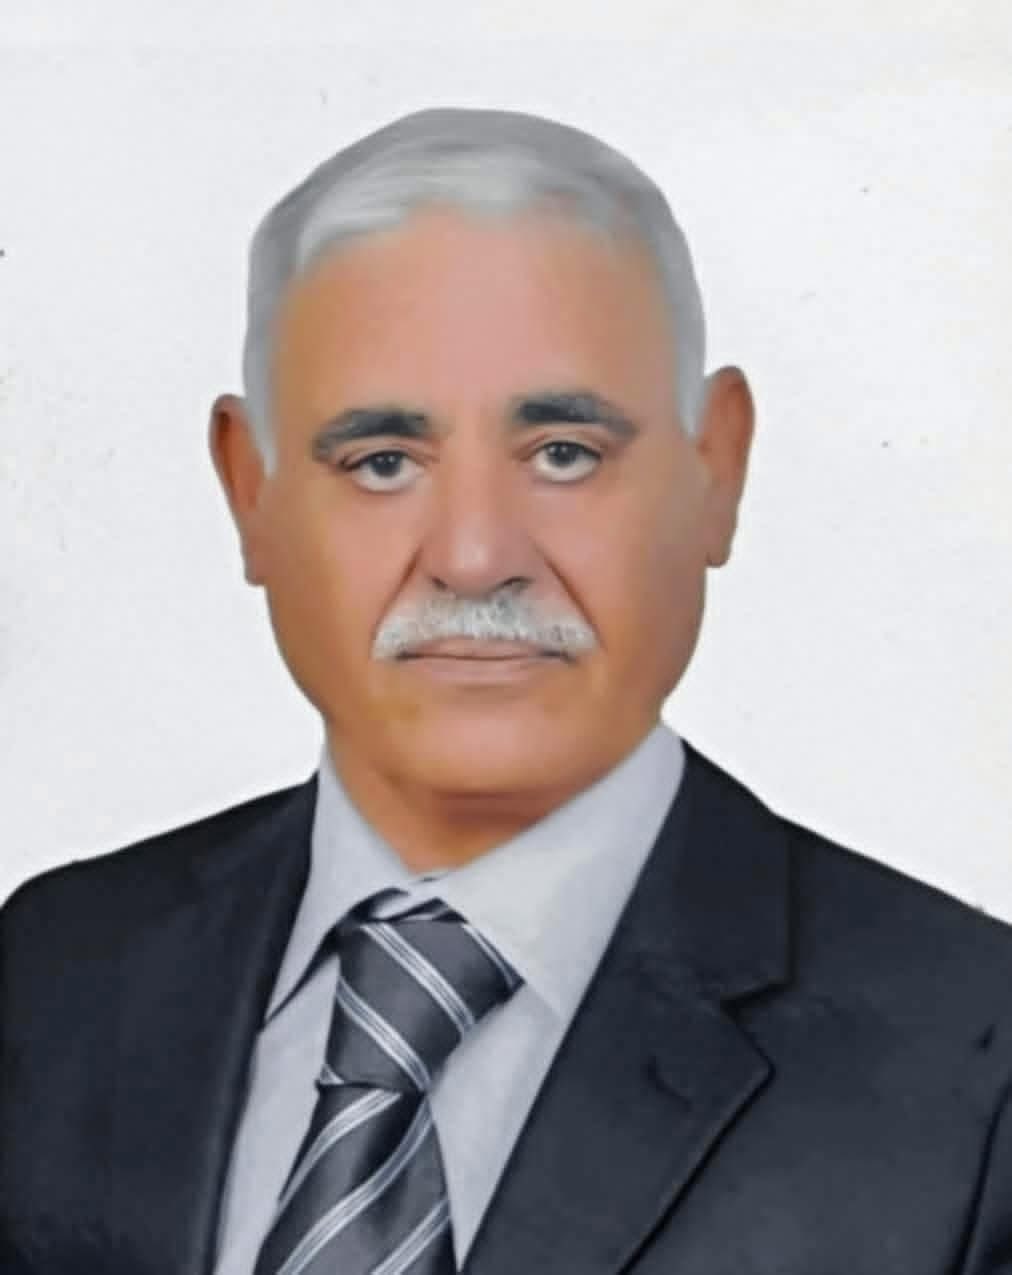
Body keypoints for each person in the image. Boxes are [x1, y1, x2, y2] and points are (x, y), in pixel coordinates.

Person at [1, 106, 1010, 1275]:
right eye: (383, 463)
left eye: (563, 454)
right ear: (250, 492)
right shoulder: (51, 971)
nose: (476, 557)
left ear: (716, 469)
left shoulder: (976, 1065)